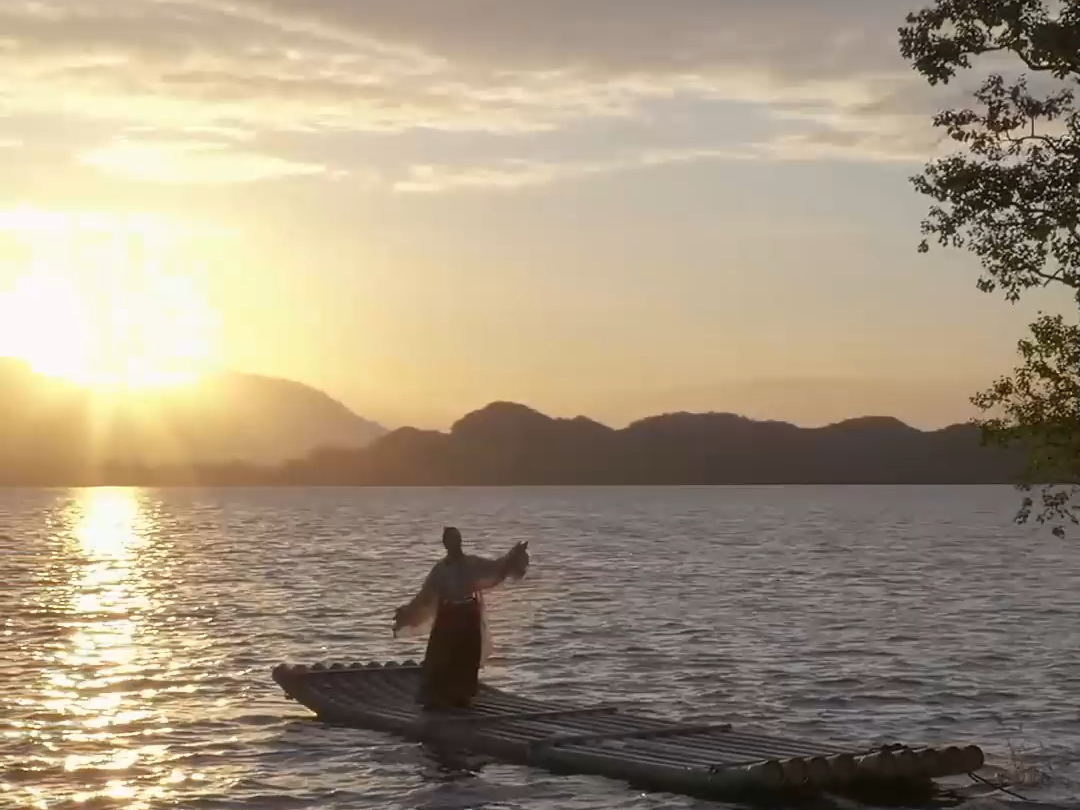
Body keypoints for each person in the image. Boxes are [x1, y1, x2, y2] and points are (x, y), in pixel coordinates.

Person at [392, 527, 529, 710]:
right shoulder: (440, 569)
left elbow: (496, 568)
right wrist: (408, 611)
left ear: (459, 542)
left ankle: (461, 696)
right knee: (441, 657)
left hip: (468, 614)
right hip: (448, 615)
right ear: (445, 544)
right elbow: (425, 595)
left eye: (456, 540)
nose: (453, 544)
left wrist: (513, 555)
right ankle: (438, 697)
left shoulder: (471, 564)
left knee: (466, 658)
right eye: (450, 541)